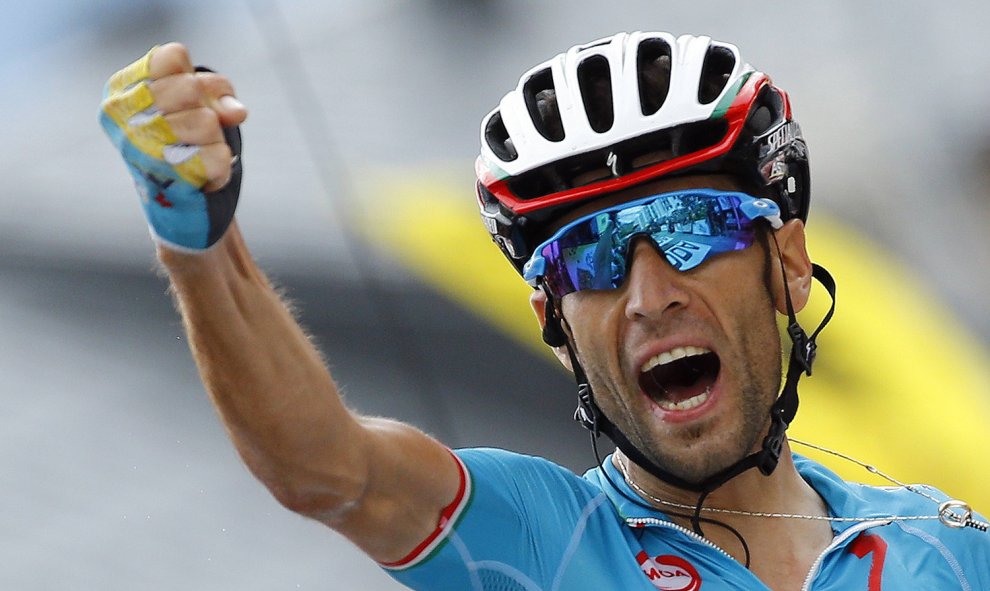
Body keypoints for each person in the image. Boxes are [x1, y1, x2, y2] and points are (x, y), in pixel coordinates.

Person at [100, 32, 989, 590]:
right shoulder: (537, 535)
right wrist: (201, 245)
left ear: (789, 263)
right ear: (554, 328)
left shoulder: (954, 552)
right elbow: (326, 468)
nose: (647, 297)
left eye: (687, 229)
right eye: (591, 260)